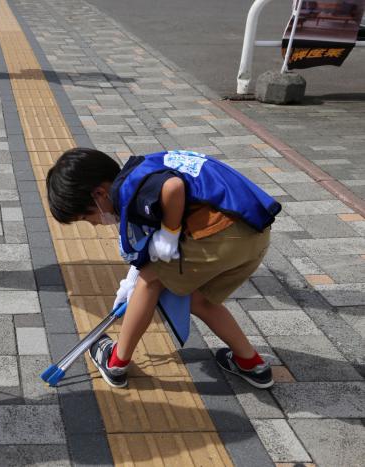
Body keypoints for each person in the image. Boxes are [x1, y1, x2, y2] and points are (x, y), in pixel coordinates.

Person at [46, 148, 282, 390]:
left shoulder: (130, 189)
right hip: (254, 234)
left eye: (88, 217)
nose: (95, 224)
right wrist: (130, 283)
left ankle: (116, 362)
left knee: (150, 281)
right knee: (199, 300)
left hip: (219, 233)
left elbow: (173, 188)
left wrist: (169, 233)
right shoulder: (142, 171)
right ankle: (251, 364)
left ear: (100, 193)